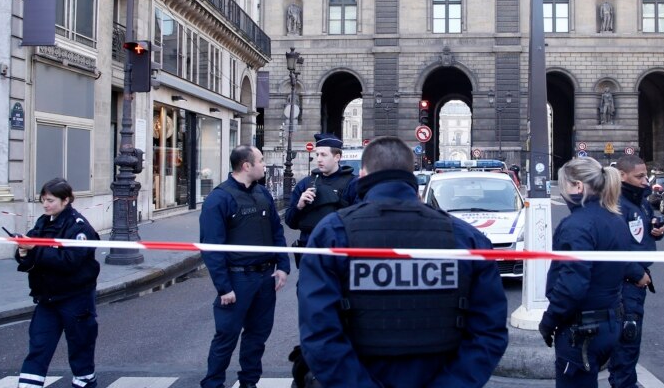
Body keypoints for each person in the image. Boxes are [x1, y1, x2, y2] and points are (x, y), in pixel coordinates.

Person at [297, 136, 509, 388]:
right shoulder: (467, 238)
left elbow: (320, 334)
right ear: (413, 175)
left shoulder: (331, 233)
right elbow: (488, 332)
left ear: (362, 174)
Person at [200, 146, 290, 388]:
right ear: (246, 166)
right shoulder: (219, 199)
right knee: (226, 337)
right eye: (261, 160)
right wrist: (223, 287)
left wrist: (283, 265)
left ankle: (249, 383)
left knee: (257, 336)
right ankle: (213, 383)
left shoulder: (263, 194)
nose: (264, 164)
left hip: (264, 279)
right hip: (237, 281)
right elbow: (211, 247)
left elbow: (276, 231)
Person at [539, 157, 630, 387]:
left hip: (582, 329)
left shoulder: (577, 225)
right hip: (610, 320)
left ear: (578, 186)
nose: (562, 193)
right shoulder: (615, 219)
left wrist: (549, 320)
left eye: (564, 186)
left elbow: (572, 285)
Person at [14, 178, 101, 388]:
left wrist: (36, 249)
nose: (45, 205)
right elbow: (30, 255)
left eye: (50, 200)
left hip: (75, 298)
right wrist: (23, 252)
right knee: (39, 345)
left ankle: (85, 379)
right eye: (43, 199)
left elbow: (71, 262)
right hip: (47, 298)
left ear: (66, 200)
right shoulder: (43, 222)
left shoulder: (79, 228)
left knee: (80, 345)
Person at [608, 155, 664, 388]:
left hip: (635, 280)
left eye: (646, 175)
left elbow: (645, 227)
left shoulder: (639, 201)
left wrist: (657, 230)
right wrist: (637, 273)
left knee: (629, 345)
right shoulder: (616, 204)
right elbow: (613, 247)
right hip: (625, 283)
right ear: (622, 176)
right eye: (639, 176)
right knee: (626, 344)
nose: (645, 181)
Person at [284, 132, 357, 265]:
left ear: (337, 157)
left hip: (338, 253)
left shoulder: (352, 184)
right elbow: (290, 221)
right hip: (309, 252)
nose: (318, 159)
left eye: (323, 155)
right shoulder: (305, 183)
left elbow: (359, 221)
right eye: (317, 154)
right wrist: (299, 206)